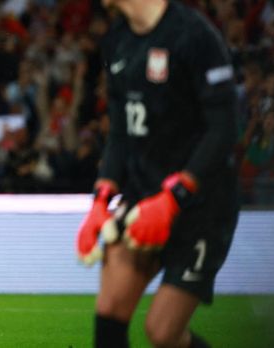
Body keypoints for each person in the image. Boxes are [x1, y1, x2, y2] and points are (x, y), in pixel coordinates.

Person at [74, 0, 239, 347]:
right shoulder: (117, 38)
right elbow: (120, 131)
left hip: (202, 206)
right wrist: (101, 198)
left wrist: (175, 196)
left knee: (162, 333)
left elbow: (224, 128)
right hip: (141, 198)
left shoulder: (194, 34)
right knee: (110, 308)